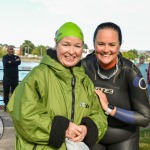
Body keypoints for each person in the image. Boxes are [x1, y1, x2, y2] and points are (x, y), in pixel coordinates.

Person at [7, 22, 107, 150]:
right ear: (56, 43)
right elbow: (22, 115)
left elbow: (99, 116)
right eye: (66, 45)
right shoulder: (38, 76)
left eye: (77, 46)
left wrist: (87, 129)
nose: (71, 52)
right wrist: (61, 128)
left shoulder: (85, 81)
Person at [82, 22, 150, 150]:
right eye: (101, 44)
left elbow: (145, 118)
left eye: (112, 44)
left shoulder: (130, 72)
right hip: (92, 135)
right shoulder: (84, 66)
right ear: (94, 44)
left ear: (119, 46)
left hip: (124, 138)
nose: (106, 50)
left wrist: (109, 108)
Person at [2, 45, 21, 111]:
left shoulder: (17, 57)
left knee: (14, 92)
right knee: (6, 92)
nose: (11, 50)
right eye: (10, 49)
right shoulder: (4, 57)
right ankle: (6, 106)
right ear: (7, 50)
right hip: (7, 78)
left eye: (12, 49)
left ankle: (13, 106)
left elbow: (18, 62)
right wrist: (14, 62)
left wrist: (10, 62)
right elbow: (6, 64)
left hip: (14, 78)